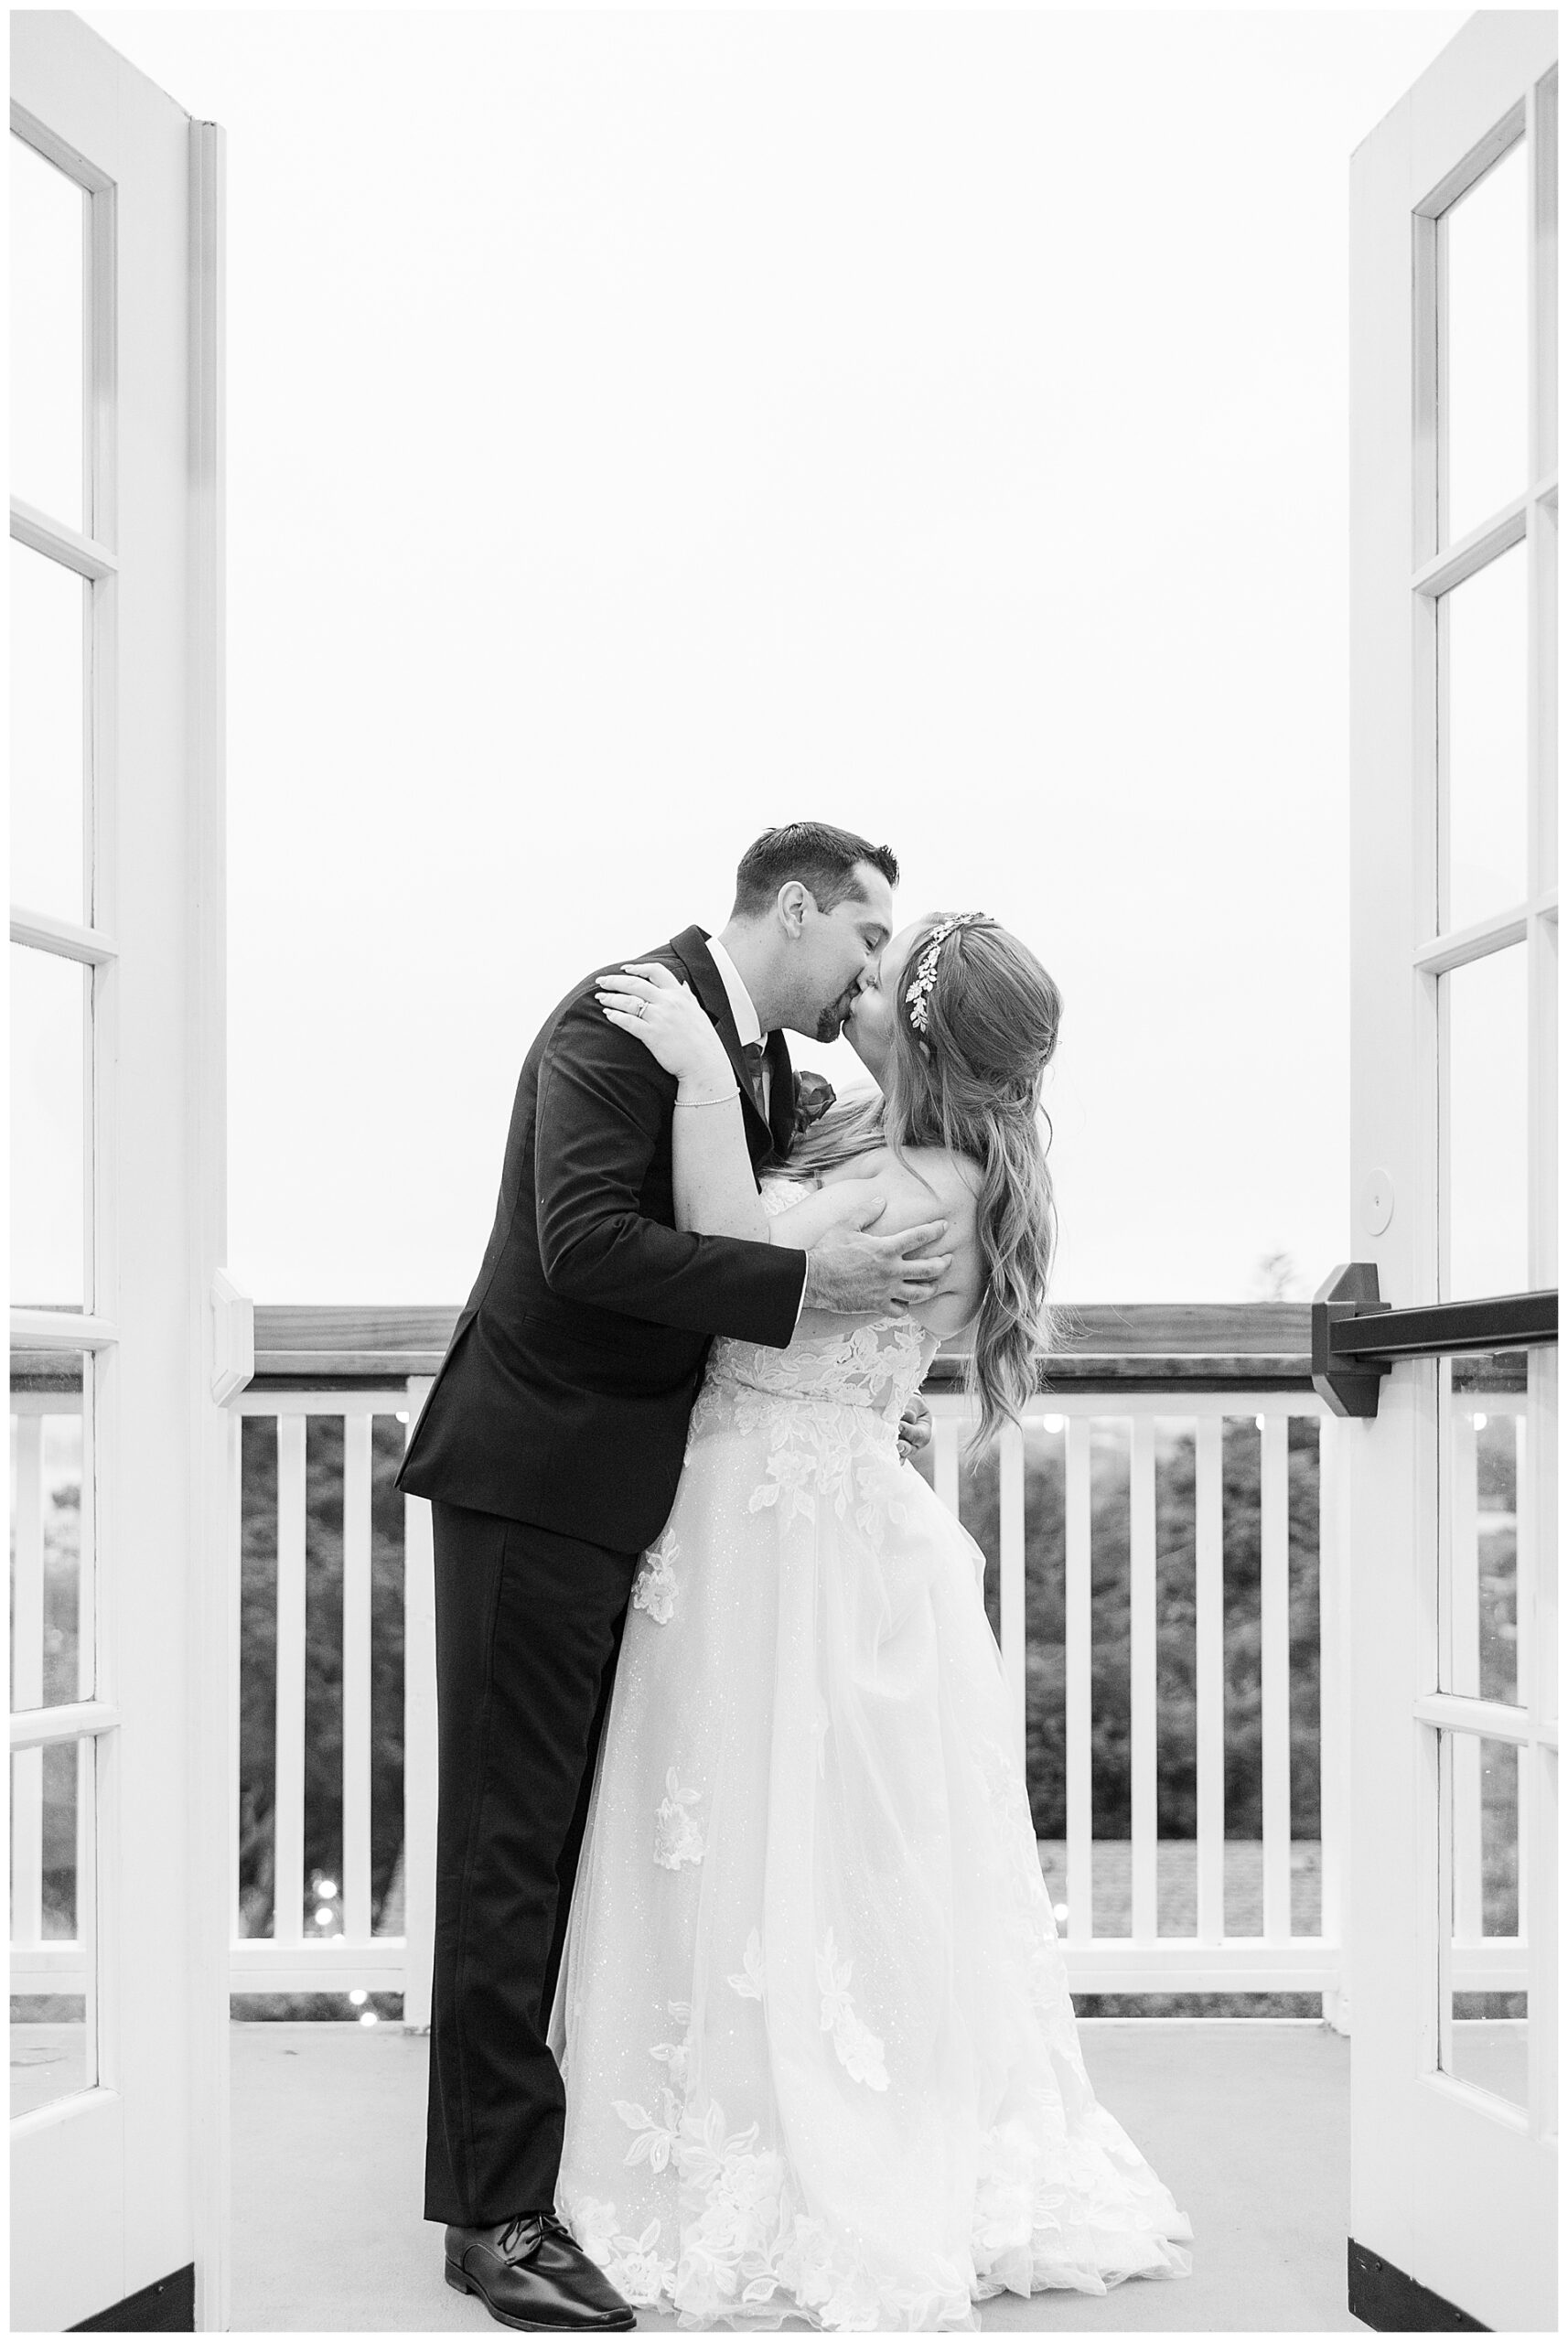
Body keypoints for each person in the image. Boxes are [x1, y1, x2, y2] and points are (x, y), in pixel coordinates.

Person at [549, 911, 1194, 2330]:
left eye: (880, 987)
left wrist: (700, 1076)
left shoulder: (922, 1184)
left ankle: (796, 2140)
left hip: (786, 1536)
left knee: (788, 1832)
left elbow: (733, 1273)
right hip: (802, 1517)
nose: (853, 993)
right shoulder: (885, 1149)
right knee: (780, 1834)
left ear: (918, 1029)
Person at [395, 823, 951, 2334]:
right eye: (862, 933)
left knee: (577, 1837)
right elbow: (583, 1245)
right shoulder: (620, 1019)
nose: (865, 972)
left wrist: (856, 1359)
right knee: (510, 1844)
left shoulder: (760, 1061)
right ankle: (494, 2216)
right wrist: (803, 1292)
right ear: (795, 906)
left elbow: (770, 1202)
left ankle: (559, 2162)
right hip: (536, 1478)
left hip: (649, 1500)